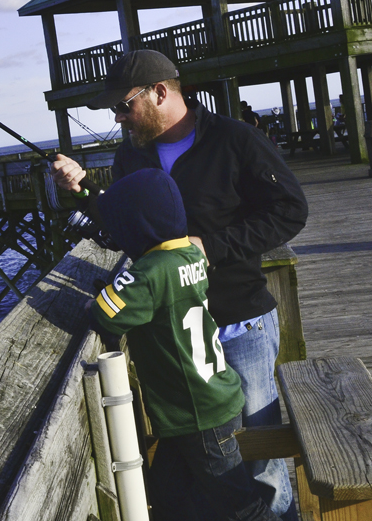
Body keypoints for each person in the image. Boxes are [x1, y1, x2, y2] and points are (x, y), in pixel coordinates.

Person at [52, 49, 308, 521]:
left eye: (124, 105)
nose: (118, 117)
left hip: (241, 323)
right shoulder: (131, 153)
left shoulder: (235, 139)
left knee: (262, 465)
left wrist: (210, 246)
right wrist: (85, 190)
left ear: (161, 92)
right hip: (180, 346)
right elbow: (125, 225)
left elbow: (290, 210)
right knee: (204, 473)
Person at [89, 169, 280, 521]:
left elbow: (104, 314)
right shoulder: (191, 255)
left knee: (242, 508)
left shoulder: (152, 271)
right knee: (169, 495)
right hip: (207, 399)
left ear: (138, 225)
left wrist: (108, 288)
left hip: (197, 414)